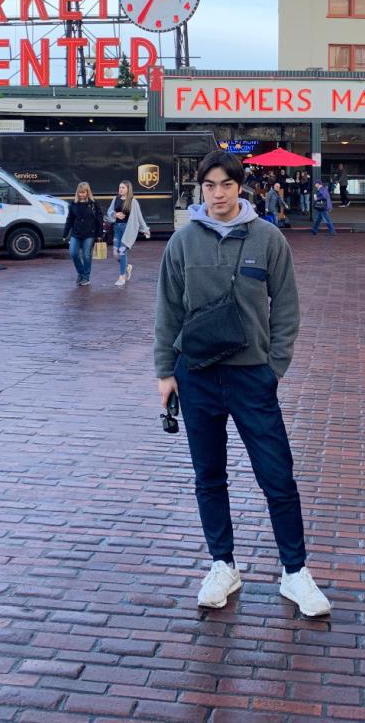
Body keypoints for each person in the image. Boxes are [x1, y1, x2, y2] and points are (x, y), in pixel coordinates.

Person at [154, 149, 331, 617]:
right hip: (197, 376)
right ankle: (222, 564)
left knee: (277, 476)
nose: (217, 194)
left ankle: (295, 572)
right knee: (209, 476)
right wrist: (165, 372)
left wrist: (274, 367)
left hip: (253, 377)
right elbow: (168, 310)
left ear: (240, 188)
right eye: (209, 186)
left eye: (226, 185)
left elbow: (286, 308)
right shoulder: (183, 242)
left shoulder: (268, 239)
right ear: (200, 190)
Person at [106, 179, 150, 287]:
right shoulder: (115, 199)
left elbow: (139, 216)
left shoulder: (132, 201)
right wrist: (115, 215)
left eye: (123, 188)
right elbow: (109, 212)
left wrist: (145, 230)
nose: (120, 189)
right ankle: (127, 267)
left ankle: (122, 277)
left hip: (128, 230)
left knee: (122, 252)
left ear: (128, 189)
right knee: (116, 254)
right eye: (120, 187)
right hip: (117, 229)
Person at [63, 181, 104, 286]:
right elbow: (70, 219)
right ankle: (81, 273)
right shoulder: (73, 204)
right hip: (76, 233)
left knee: (86, 255)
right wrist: (65, 233)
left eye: (83, 192)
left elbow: (99, 220)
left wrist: (99, 234)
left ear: (87, 192)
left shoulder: (94, 204)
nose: (81, 195)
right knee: (73, 253)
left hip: (89, 234)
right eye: (80, 192)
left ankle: (86, 277)